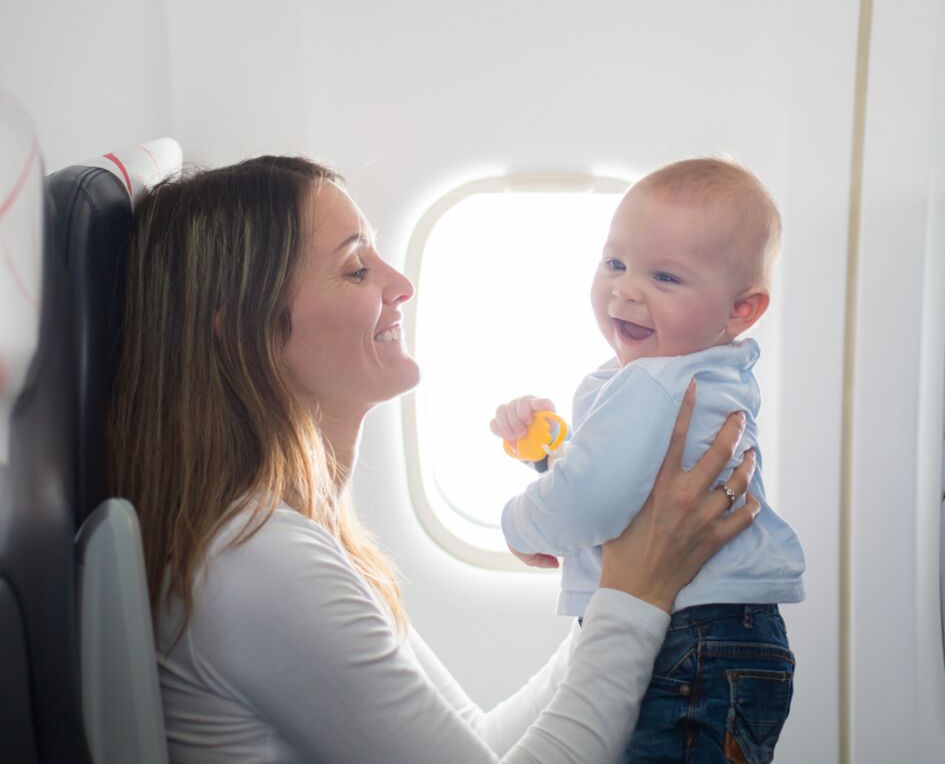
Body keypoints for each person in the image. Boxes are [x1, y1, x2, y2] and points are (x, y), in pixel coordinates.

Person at [107, 155, 762, 764]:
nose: (400, 283)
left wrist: (630, 578)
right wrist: (634, 592)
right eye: (357, 268)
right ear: (247, 327)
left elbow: (477, 742)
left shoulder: (302, 537)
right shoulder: (257, 561)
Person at [490, 157, 805, 763]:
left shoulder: (654, 384)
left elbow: (593, 500)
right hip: (727, 639)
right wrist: (548, 453)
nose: (626, 289)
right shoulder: (699, 373)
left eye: (665, 277)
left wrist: (518, 524)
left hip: (688, 641)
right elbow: (626, 482)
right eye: (615, 263)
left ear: (741, 310)